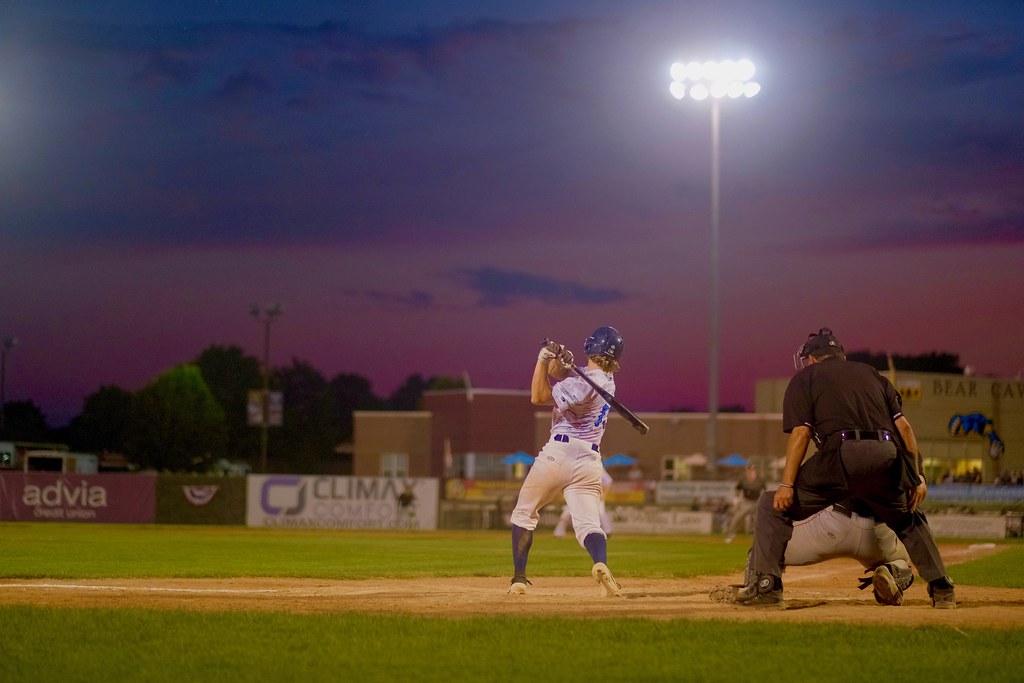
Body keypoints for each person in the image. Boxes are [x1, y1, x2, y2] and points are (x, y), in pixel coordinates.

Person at [735, 327, 956, 608]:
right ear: (841, 354)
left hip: (840, 455)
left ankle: (767, 587)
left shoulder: (807, 377)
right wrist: (916, 476)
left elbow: (801, 434)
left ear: (812, 359)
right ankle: (942, 589)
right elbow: (904, 429)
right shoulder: (874, 375)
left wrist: (787, 485)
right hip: (884, 455)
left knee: (770, 505)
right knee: (909, 516)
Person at [508, 326, 625, 598]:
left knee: (524, 513)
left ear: (592, 347)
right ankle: (601, 563)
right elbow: (562, 377)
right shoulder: (607, 380)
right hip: (590, 460)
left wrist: (541, 358)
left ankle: (519, 580)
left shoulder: (582, 383)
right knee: (589, 525)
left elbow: (538, 396)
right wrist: (562, 363)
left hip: (560, 453)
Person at [714, 497, 916, 606]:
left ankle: (761, 587)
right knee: (902, 561)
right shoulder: (896, 447)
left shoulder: (837, 440)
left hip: (833, 526)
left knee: (765, 548)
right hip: (879, 534)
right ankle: (892, 571)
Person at [553, 466, 613, 538]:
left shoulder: (596, 465)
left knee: (600, 512)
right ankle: (559, 532)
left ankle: (607, 531)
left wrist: (604, 495)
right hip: (578, 494)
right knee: (567, 512)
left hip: (594, 494)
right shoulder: (574, 465)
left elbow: (608, 481)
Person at [723, 465, 765, 543]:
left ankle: (761, 539)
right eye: (748, 470)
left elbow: (765, 490)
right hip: (746, 502)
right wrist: (736, 500)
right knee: (736, 518)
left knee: (759, 522)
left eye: (752, 470)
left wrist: (763, 502)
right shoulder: (743, 480)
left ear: (754, 471)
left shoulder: (760, 480)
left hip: (756, 502)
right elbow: (737, 489)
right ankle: (730, 535)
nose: (750, 472)